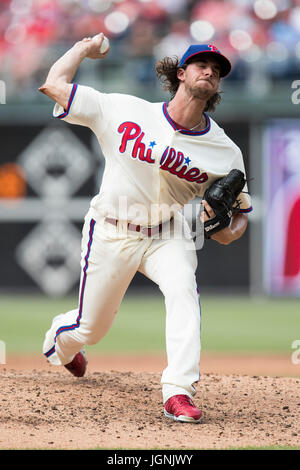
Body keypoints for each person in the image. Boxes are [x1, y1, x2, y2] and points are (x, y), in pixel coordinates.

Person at [39, 35, 252, 423]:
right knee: (90, 328)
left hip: (168, 233)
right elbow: (54, 84)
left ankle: (178, 391)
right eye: (202, 64)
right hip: (112, 229)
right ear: (181, 73)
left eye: (217, 69)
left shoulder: (225, 151)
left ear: (218, 85)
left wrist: (226, 231)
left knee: (184, 290)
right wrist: (84, 49)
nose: (210, 71)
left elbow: (239, 218)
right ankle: (61, 344)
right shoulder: (124, 109)